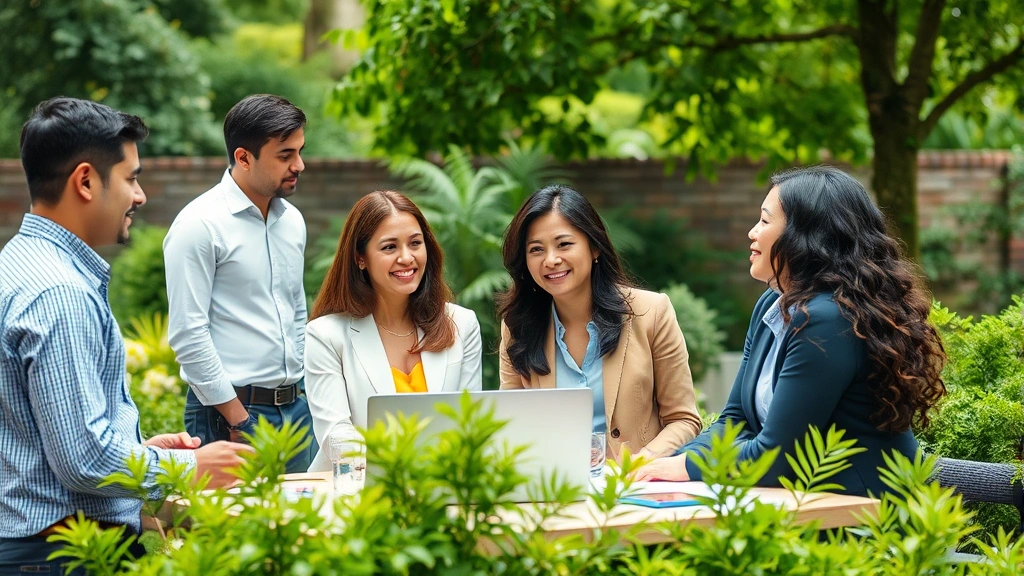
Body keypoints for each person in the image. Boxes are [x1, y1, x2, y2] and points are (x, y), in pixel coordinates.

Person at [0, 97, 250, 574]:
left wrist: (140, 455)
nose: (140, 196)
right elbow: (83, 460)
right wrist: (193, 467)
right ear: (87, 181)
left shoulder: (20, 262)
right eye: (132, 178)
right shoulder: (59, 293)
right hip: (65, 555)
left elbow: (42, 437)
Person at [633, 165, 947, 496]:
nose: (753, 232)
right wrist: (668, 465)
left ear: (806, 237)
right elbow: (734, 421)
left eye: (766, 221)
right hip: (804, 505)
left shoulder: (828, 320)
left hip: (868, 518)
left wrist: (684, 467)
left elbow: (777, 457)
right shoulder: (774, 303)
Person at [164, 94, 315, 473]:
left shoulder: (292, 220)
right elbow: (188, 333)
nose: (299, 164)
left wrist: (302, 391)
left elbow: (296, 308)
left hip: (295, 412)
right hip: (228, 416)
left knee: (301, 528)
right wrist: (238, 419)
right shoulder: (198, 225)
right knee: (232, 530)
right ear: (243, 157)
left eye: (299, 151)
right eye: (285, 155)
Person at [497, 185, 702, 459]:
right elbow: (510, 424)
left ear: (594, 247)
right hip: (556, 490)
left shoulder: (651, 312)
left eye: (564, 244)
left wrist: (639, 466)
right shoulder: (517, 326)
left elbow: (684, 420)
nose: (551, 260)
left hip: (634, 488)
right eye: (536, 249)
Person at [304, 190, 483, 472]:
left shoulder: (462, 323)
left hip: (444, 486)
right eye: (389, 247)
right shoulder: (326, 335)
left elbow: (470, 422)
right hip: (358, 494)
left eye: (415, 243)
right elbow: (336, 435)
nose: (406, 257)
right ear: (360, 258)